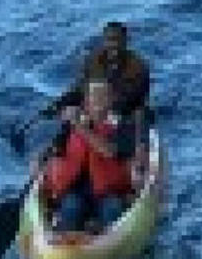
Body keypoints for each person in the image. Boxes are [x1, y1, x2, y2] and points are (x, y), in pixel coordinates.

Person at [44, 20, 151, 165]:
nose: (113, 45)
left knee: (141, 115)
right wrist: (60, 103)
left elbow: (136, 96)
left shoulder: (138, 66)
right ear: (104, 41)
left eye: (117, 40)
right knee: (71, 112)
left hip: (127, 109)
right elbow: (81, 88)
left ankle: (139, 155)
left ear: (126, 41)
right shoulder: (93, 61)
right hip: (96, 105)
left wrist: (110, 110)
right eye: (109, 40)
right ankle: (58, 148)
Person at [39, 78, 137, 233]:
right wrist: (40, 161)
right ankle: (66, 239)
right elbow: (56, 148)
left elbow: (109, 151)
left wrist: (78, 125)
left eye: (103, 95)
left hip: (110, 192)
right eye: (94, 95)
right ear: (87, 100)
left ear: (111, 99)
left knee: (111, 210)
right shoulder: (71, 125)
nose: (98, 99)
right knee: (70, 207)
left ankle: (105, 241)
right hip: (77, 190)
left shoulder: (123, 126)